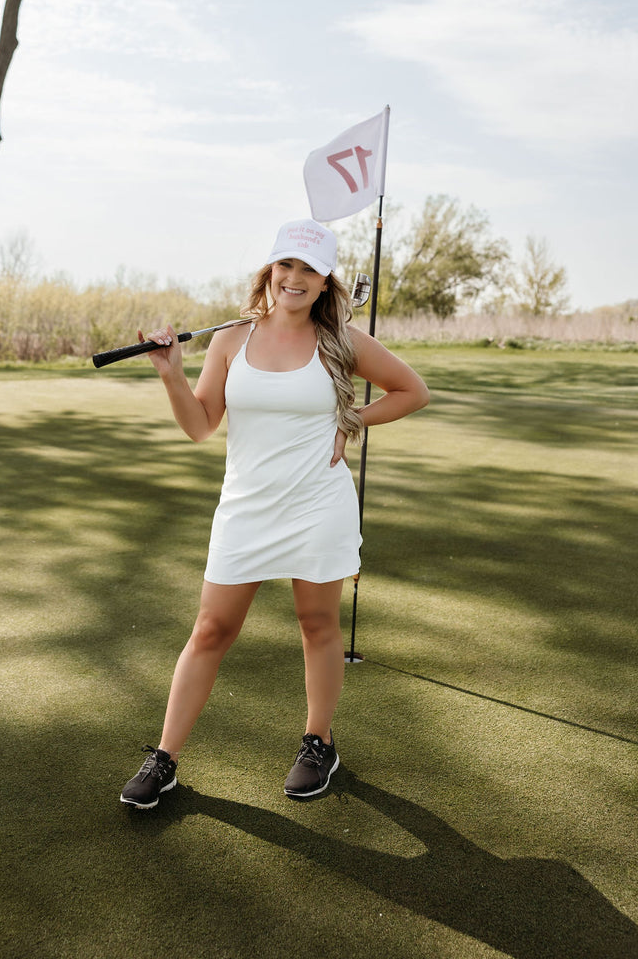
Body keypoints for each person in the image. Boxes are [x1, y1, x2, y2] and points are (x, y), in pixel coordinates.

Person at [120, 219, 429, 809]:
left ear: (324, 282)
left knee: (317, 625)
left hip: (319, 504)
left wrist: (352, 420)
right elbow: (199, 425)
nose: (294, 277)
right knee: (210, 630)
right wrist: (172, 375)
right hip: (246, 508)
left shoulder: (342, 340)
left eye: (308, 269)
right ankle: (165, 758)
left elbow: (412, 390)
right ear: (270, 271)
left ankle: (318, 743)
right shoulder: (231, 340)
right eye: (286, 265)